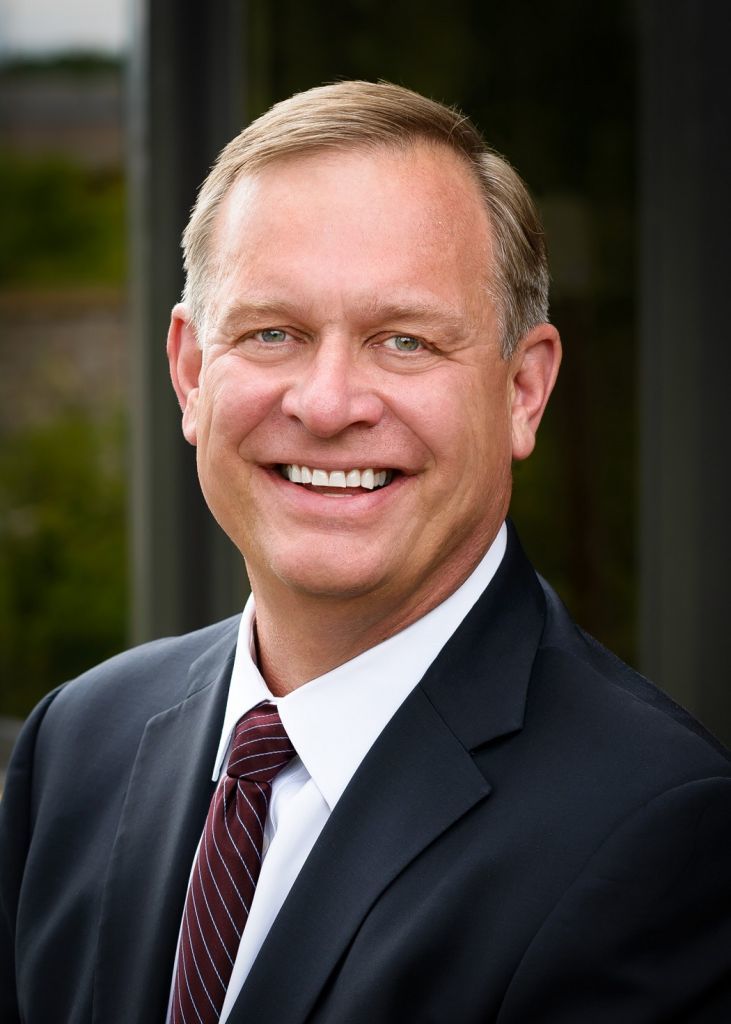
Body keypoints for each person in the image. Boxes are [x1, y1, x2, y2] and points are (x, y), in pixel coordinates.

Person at [1, 80, 730, 1024]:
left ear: (522, 391)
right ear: (190, 373)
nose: (327, 403)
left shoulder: (655, 832)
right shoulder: (78, 742)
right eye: (273, 332)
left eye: (404, 341)